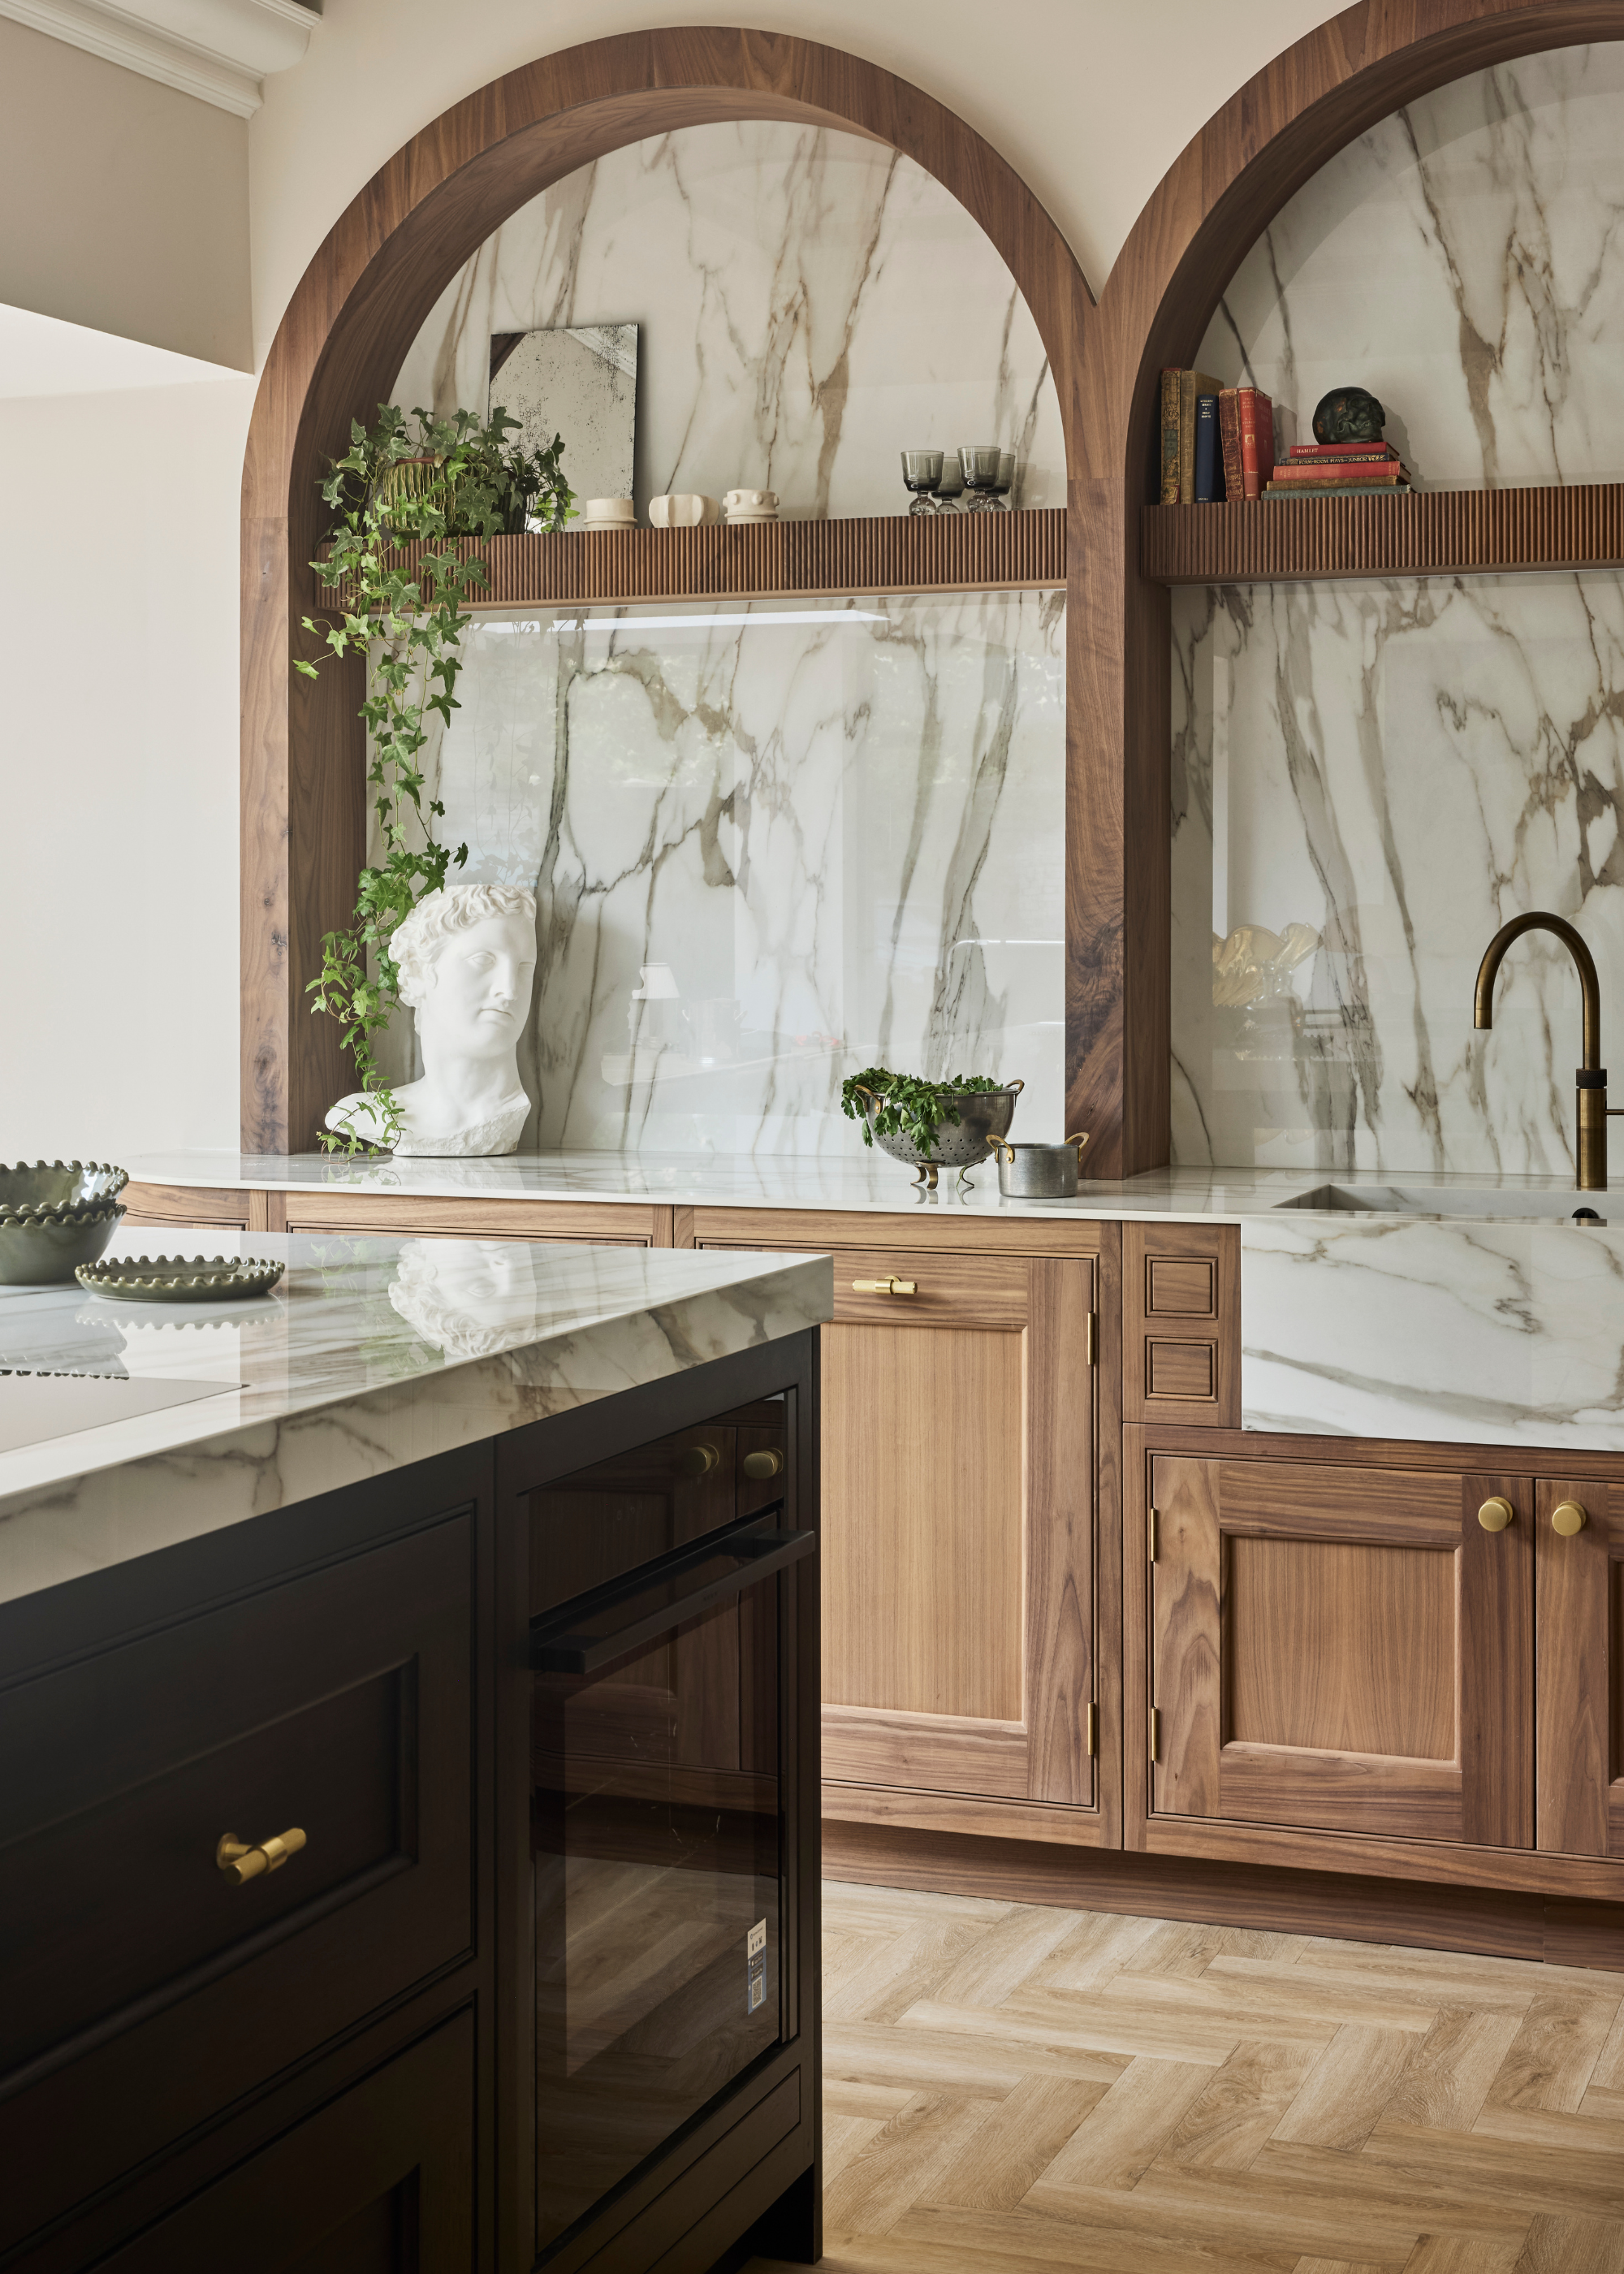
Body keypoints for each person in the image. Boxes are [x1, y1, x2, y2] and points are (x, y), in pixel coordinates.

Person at [326, 881, 537, 1155]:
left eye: (524, 968)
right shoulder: (367, 1114)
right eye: (483, 960)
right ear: (416, 972)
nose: (509, 989)